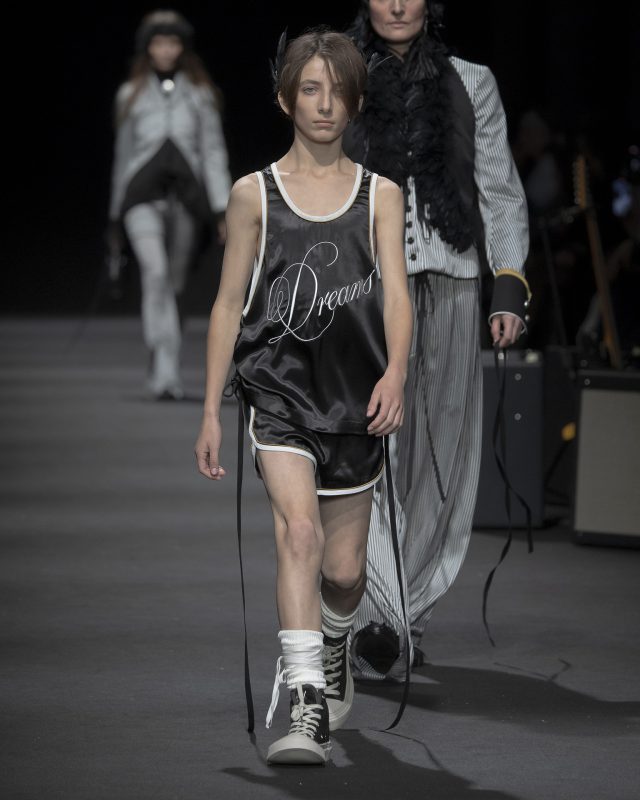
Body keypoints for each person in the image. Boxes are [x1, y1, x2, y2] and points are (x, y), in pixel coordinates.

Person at [194, 29, 412, 765]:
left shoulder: (381, 194)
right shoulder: (252, 194)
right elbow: (228, 304)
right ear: (286, 97)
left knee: (344, 572)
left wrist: (397, 374)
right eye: (309, 89)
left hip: (357, 398)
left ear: (355, 101)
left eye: (338, 90)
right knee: (298, 536)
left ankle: (337, 640)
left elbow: (398, 295)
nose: (324, 104)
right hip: (278, 391)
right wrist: (211, 410)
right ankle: (306, 705)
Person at [343, 0, 530, 680]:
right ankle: (378, 612)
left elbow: (499, 188)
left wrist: (509, 280)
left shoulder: (471, 80)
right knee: (367, 443)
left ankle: (403, 612)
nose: (396, 5)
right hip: (361, 283)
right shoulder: (341, 73)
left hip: (452, 277)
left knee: (446, 450)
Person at [108, 10, 231, 400]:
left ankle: (166, 370)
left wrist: (222, 208)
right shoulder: (129, 95)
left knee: (174, 286)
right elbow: (123, 156)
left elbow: (212, 151)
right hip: (141, 199)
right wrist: (114, 214)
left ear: (183, 47)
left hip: (186, 201)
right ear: (148, 47)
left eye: (173, 42)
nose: (166, 49)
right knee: (155, 273)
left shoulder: (201, 95)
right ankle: (161, 359)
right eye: (159, 42)